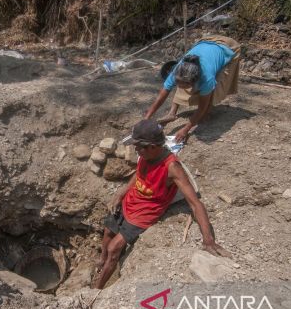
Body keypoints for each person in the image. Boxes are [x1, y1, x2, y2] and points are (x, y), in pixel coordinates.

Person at [93, 119, 230, 289]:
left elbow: (195, 203)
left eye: (138, 146)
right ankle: (101, 261)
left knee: (114, 249)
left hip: (145, 212)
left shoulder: (171, 167)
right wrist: (122, 192)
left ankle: (96, 289)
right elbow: (139, 174)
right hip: (131, 200)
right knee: (108, 231)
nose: (135, 149)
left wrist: (208, 239)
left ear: (152, 146)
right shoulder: (145, 154)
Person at [144, 35, 241, 143]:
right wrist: (146, 118)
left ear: (194, 81)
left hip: (228, 47)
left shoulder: (206, 78)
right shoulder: (178, 71)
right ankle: (172, 113)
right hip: (206, 41)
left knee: (215, 87)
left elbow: (201, 106)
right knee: (183, 85)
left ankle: (208, 112)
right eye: (177, 83)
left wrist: (186, 129)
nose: (179, 86)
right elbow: (161, 96)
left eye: (185, 85)